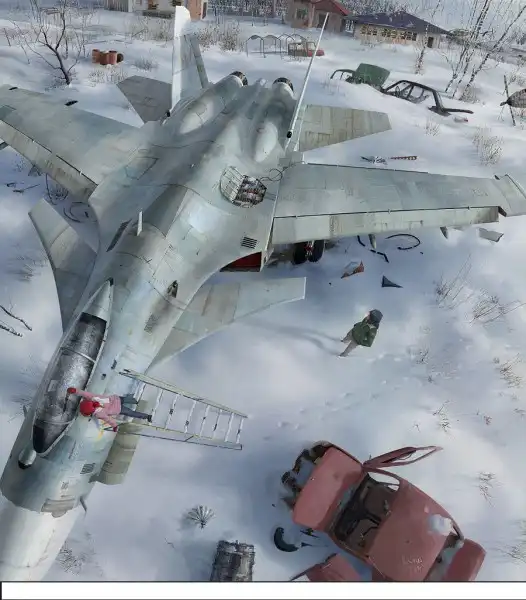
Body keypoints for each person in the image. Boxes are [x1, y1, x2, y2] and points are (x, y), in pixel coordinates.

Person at [68, 387, 152, 431]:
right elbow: (85, 393)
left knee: (131, 413)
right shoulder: (93, 398)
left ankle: (146, 416)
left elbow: (108, 419)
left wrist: (114, 426)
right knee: (128, 401)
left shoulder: (98, 413)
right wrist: (75, 390)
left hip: (118, 407)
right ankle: (137, 402)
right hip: (116, 399)